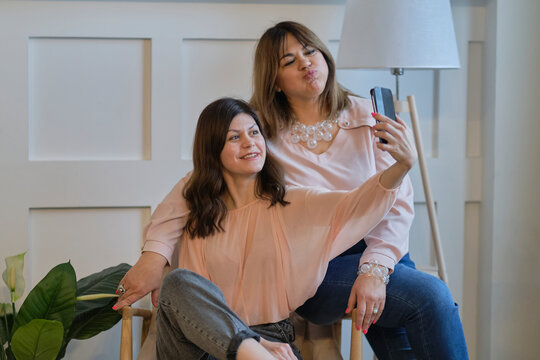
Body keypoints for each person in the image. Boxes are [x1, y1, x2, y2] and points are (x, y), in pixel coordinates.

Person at [248, 21, 468, 360]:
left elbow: (396, 204)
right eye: (289, 61)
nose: (306, 62)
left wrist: (374, 270)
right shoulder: (259, 134)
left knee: (407, 332)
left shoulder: (369, 115)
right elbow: (199, 186)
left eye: (310, 51)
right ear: (274, 82)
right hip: (318, 268)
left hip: (380, 248)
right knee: (432, 297)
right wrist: (157, 251)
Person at [140, 97, 416, 359]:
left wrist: (402, 165)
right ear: (213, 150)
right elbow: (185, 296)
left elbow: (356, 204)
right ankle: (253, 349)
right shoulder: (196, 215)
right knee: (177, 282)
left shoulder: (293, 202)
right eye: (235, 137)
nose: (250, 143)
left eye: (254, 133)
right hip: (203, 347)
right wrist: (254, 343)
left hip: (275, 340)